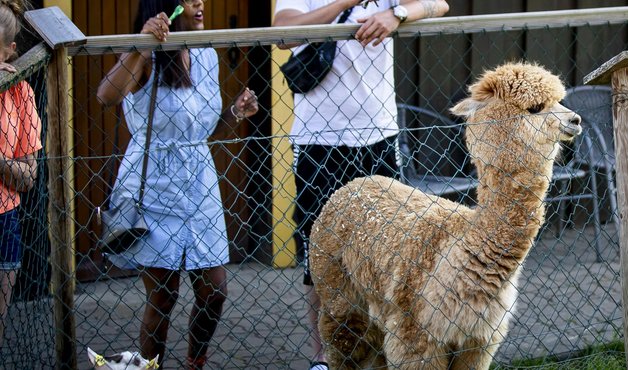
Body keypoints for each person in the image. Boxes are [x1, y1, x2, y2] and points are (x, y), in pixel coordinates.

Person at [273, 0, 449, 368]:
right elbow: (285, 32)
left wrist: (395, 15)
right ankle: (323, 356)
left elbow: (438, 4)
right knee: (319, 253)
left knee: (391, 250)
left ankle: (387, 349)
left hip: (378, 136)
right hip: (319, 139)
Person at [95, 0, 258, 368]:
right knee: (164, 296)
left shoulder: (205, 53)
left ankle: (195, 362)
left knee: (215, 290)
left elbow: (204, 128)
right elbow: (106, 95)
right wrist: (141, 43)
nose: (199, 2)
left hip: (200, 182)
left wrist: (234, 112)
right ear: (164, 4)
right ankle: (151, 365)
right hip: (154, 182)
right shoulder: (146, 54)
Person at [0, 0, 40, 350]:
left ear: (10, 52)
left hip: (4, 219)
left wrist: (0, 162)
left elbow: (28, 177)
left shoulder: (19, 92)